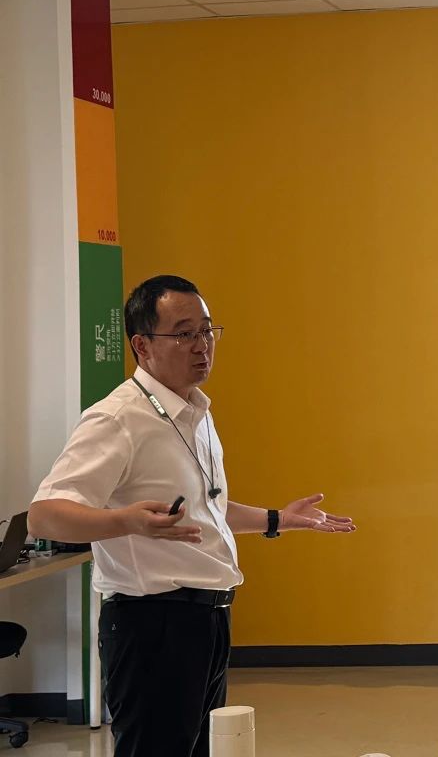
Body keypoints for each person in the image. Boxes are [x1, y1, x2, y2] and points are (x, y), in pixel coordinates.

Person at [28, 275, 355, 757]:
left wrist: (276, 520)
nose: (202, 346)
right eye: (184, 334)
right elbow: (44, 516)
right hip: (152, 624)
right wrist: (126, 522)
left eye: (206, 330)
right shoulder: (117, 418)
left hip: (208, 619)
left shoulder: (194, 412)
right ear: (142, 345)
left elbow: (207, 509)